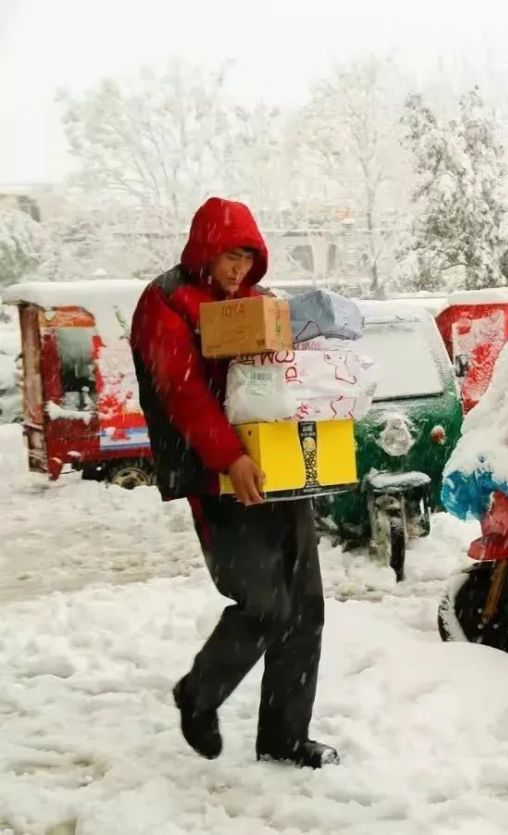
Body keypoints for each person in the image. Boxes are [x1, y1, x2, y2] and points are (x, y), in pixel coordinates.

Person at [130, 197, 338, 769]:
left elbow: (288, 376)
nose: (237, 268)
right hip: (213, 472)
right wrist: (228, 457)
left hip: (278, 466)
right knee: (266, 603)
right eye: (228, 255)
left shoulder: (257, 302)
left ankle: (285, 738)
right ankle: (198, 694)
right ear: (204, 250)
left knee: (306, 607)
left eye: (247, 256)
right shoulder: (166, 300)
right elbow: (182, 392)